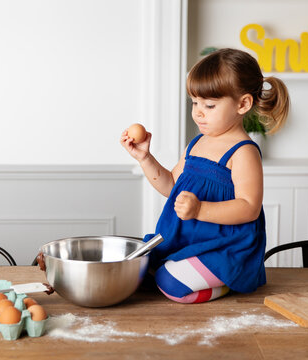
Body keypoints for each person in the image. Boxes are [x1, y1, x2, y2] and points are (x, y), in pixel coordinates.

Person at [120, 48, 289, 304]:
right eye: (194, 102)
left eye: (209, 105)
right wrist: (145, 158)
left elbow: (249, 208)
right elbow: (172, 186)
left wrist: (199, 209)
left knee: (170, 283)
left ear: (243, 104)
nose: (198, 112)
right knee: (137, 269)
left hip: (225, 247)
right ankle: (176, 269)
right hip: (188, 239)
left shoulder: (243, 152)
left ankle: (231, 282)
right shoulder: (197, 143)